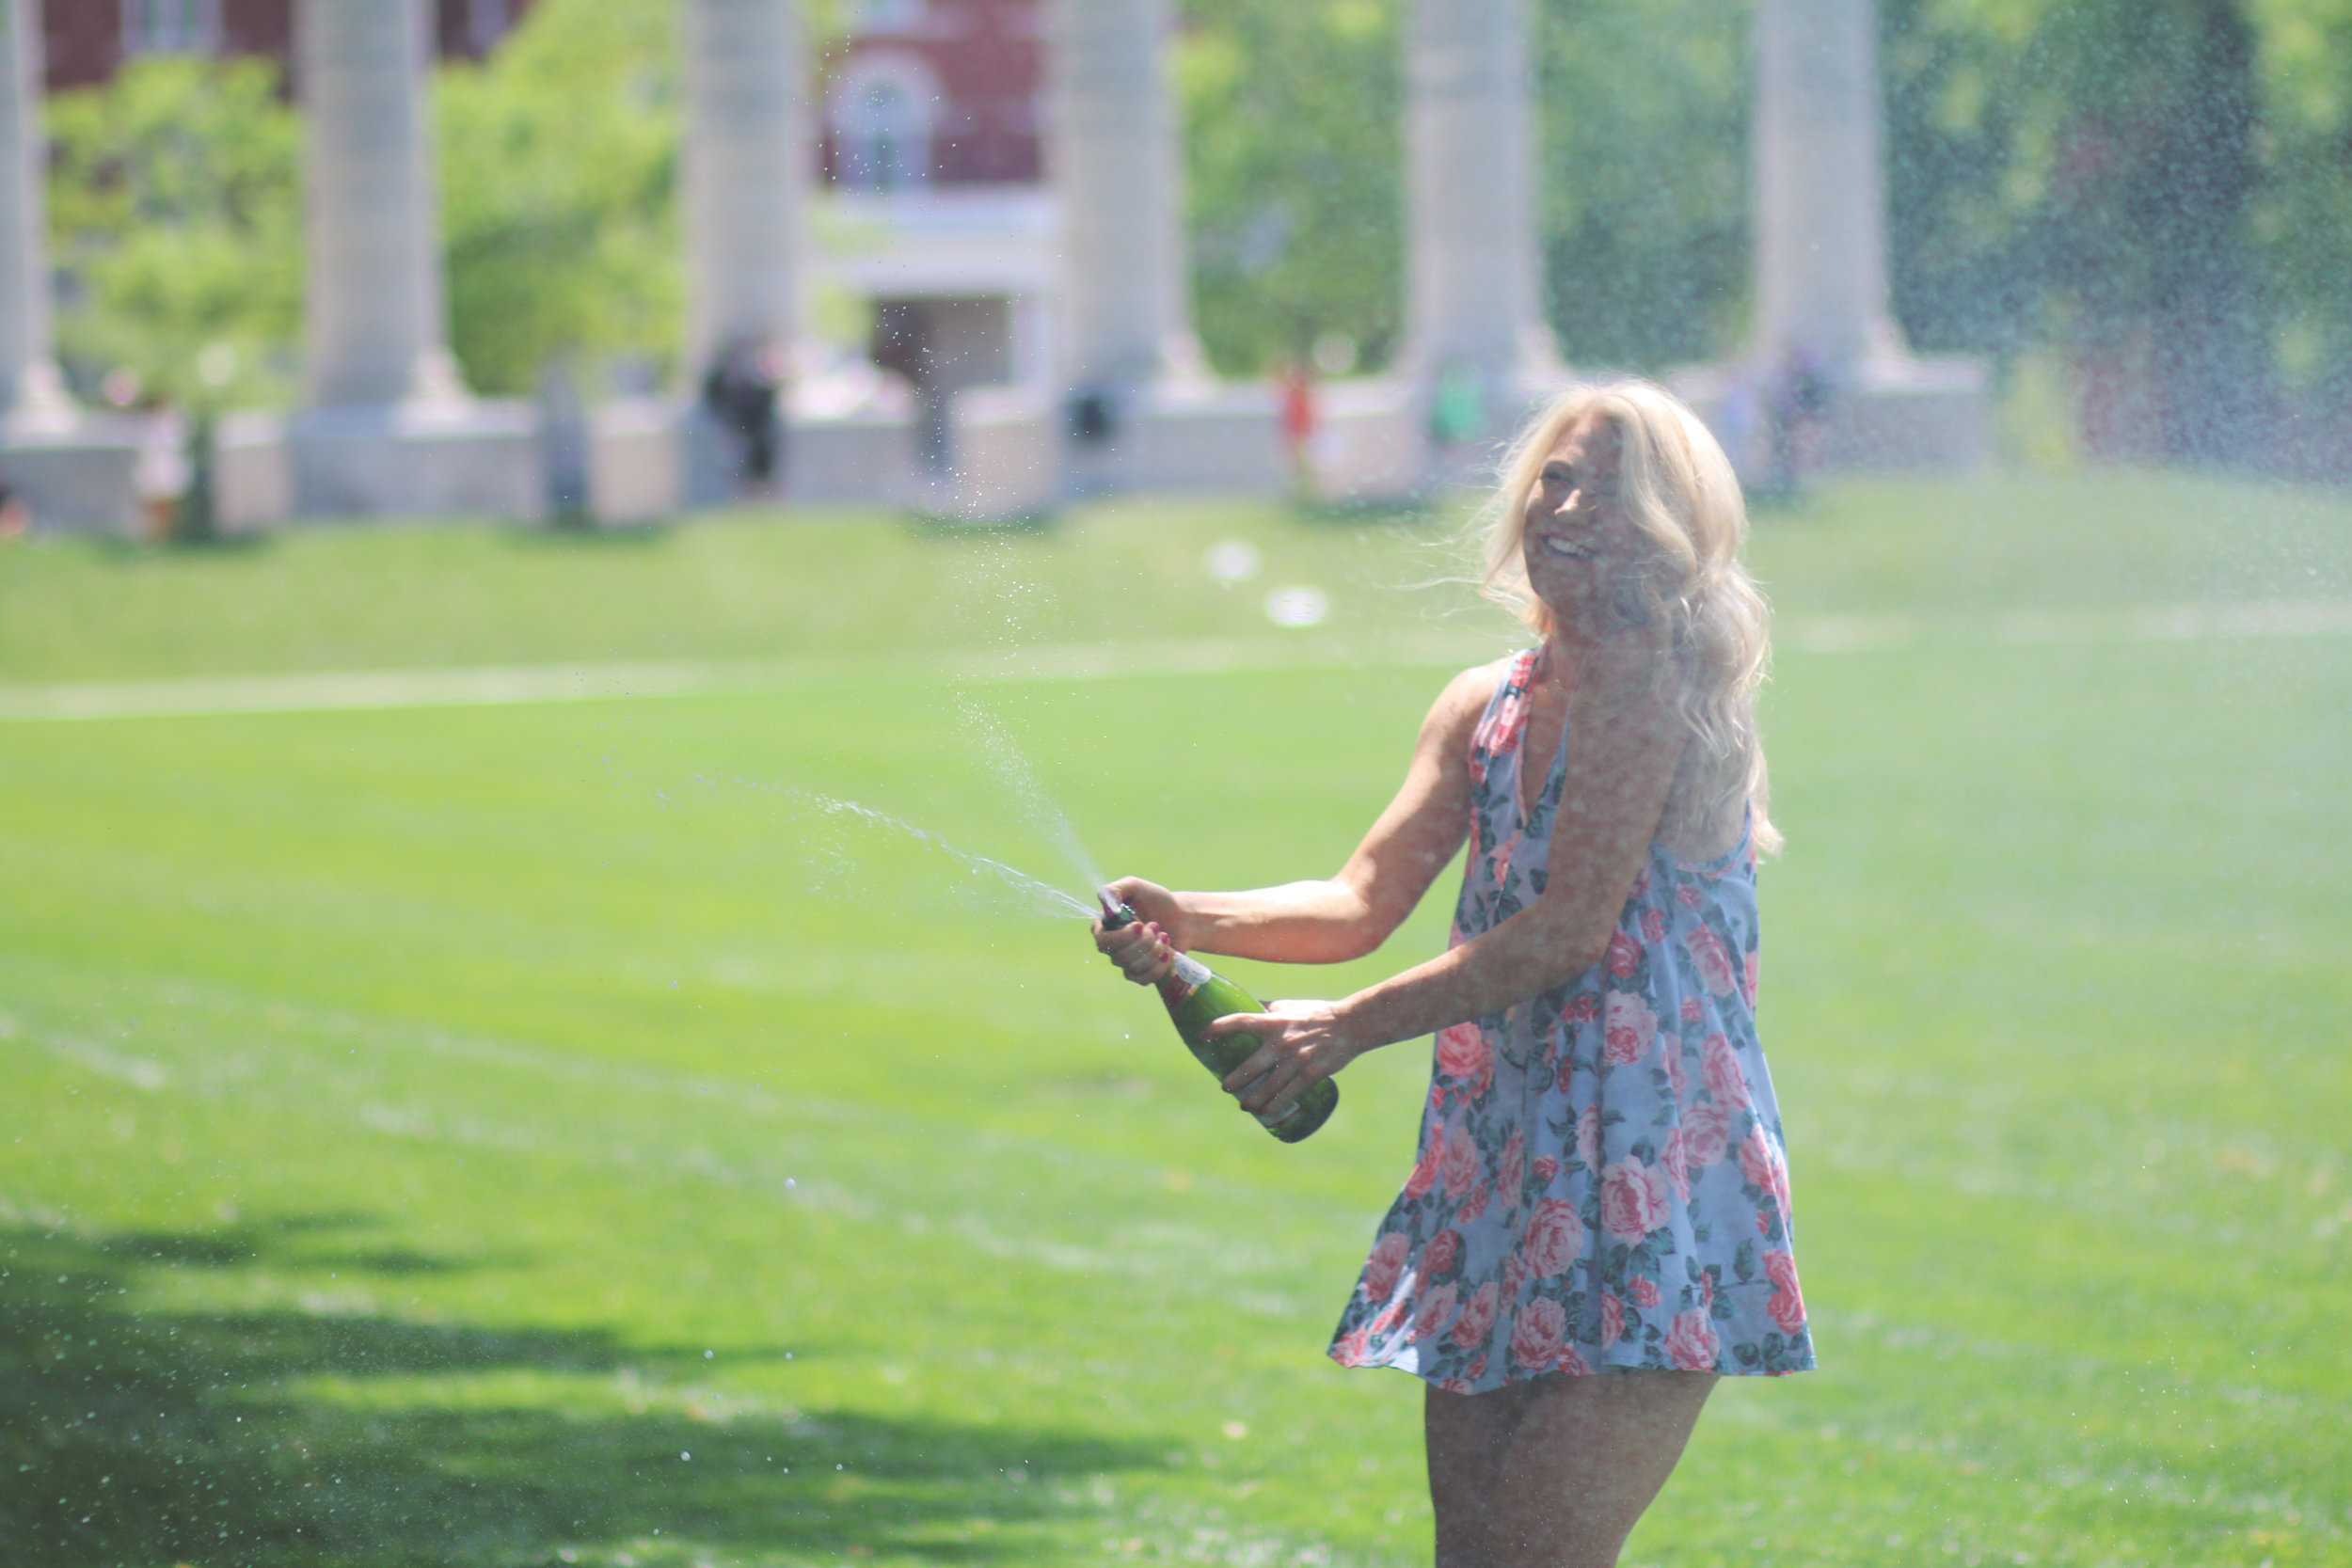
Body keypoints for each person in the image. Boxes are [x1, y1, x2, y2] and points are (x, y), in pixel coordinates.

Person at [1094, 379, 1812, 1568]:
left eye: (1604, 488)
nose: (1564, 506)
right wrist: (1189, 918)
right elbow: (1360, 899)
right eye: (1554, 478)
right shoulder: (1484, 702)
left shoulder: (1649, 683)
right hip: (1503, 1172)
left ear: (1667, 525)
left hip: (1646, 1177)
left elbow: (1566, 928)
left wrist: (1343, 1028)